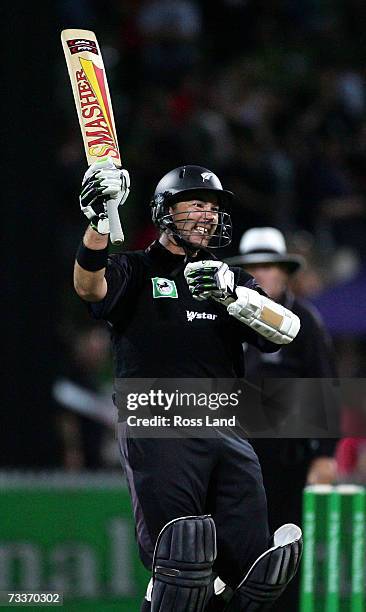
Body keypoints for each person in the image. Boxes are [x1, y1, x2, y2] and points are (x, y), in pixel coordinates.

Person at [73, 160, 302, 612]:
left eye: (214, 208)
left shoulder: (230, 279)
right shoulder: (135, 269)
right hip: (158, 421)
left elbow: (286, 332)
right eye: (197, 204)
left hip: (225, 425)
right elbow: (89, 287)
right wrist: (99, 223)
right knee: (181, 562)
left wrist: (234, 297)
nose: (208, 215)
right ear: (165, 212)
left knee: (253, 571)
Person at [226, 227, 338, 611]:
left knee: (285, 545)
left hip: (287, 457)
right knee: (234, 545)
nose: (263, 276)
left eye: (270, 267)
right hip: (235, 452)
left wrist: (325, 454)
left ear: (285, 273)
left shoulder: (304, 321)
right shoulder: (225, 318)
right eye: (254, 268)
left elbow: (327, 389)